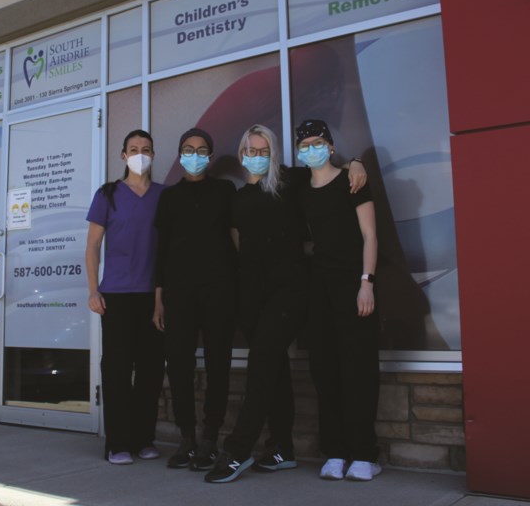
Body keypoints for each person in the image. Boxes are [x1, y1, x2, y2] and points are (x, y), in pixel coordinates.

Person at [205, 124, 367, 484]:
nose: (256, 156)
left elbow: (328, 173)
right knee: (273, 368)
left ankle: (237, 449)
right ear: (242, 152)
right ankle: (281, 449)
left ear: (273, 153)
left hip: (291, 290)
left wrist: (356, 162)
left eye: (264, 150)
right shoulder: (237, 198)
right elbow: (239, 244)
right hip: (251, 293)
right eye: (250, 150)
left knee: (262, 359)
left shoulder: (290, 182)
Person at [296, 119, 381, 482]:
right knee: (324, 370)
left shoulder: (353, 181)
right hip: (318, 287)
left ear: (330, 146)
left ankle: (363, 454)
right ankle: (336, 452)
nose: (312, 149)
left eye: (318, 142)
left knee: (358, 368)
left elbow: (370, 236)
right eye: (305, 145)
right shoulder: (300, 186)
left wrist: (367, 282)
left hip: (354, 284)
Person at [153, 128, 237, 471]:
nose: (195, 155)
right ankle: (186, 438)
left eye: (202, 149)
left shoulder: (225, 190)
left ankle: (210, 439)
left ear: (211, 156)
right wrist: (158, 299)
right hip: (178, 292)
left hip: (220, 290)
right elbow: (162, 251)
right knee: (179, 365)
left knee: (219, 364)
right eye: (188, 149)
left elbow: (235, 239)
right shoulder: (169, 198)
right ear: (179, 154)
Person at [85, 129, 166, 465]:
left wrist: (162, 299)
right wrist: (93, 289)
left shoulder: (164, 195)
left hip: (153, 296)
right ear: (123, 155)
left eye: (146, 149)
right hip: (116, 296)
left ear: (153, 154)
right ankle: (117, 444)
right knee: (117, 371)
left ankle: (143, 439)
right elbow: (92, 246)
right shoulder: (108, 194)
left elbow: (167, 249)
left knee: (150, 371)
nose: (140, 154)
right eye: (133, 149)